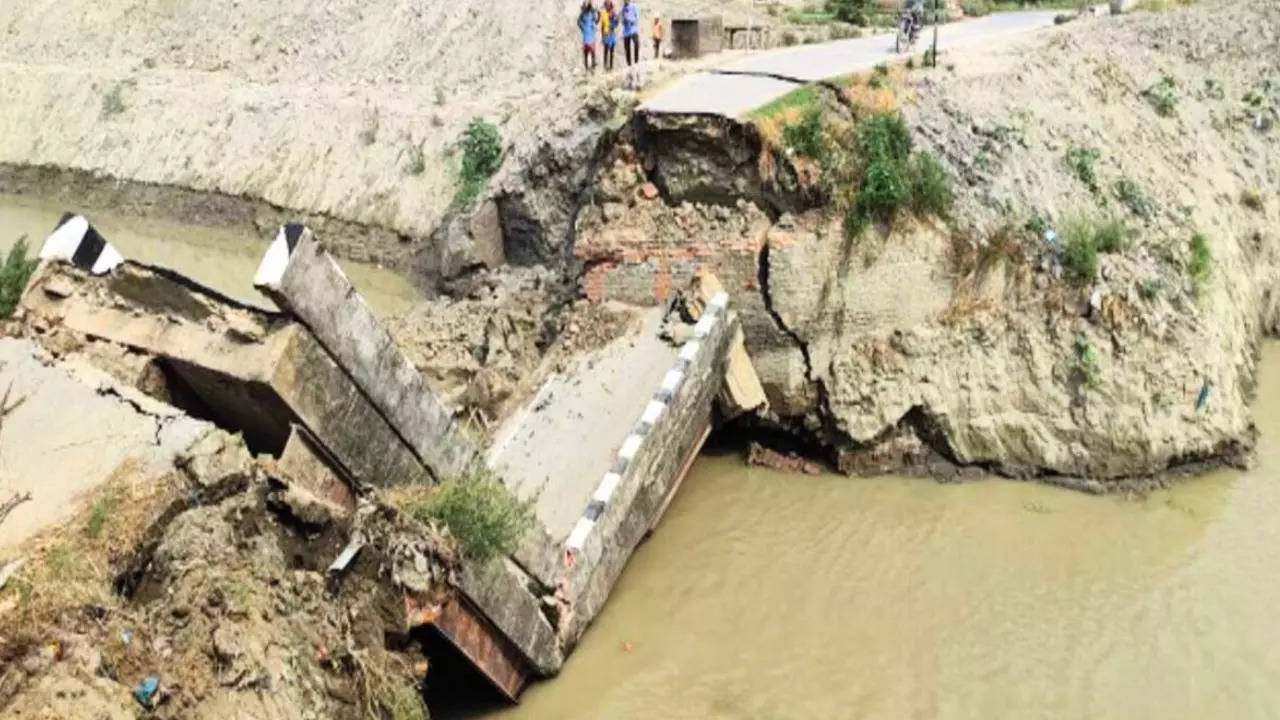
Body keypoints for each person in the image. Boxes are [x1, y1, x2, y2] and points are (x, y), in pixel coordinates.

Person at [578, 2, 599, 72]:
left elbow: (596, 21)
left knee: (588, 53)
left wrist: (598, 14)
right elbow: (578, 21)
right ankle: (590, 68)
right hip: (588, 36)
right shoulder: (585, 14)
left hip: (589, 36)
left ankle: (589, 68)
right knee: (590, 53)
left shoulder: (589, 14)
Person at [601, 1, 619, 71]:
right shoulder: (603, 14)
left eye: (608, 5)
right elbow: (602, 26)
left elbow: (617, 23)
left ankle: (611, 67)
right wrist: (602, 36)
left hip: (612, 33)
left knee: (612, 51)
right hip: (606, 34)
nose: (607, 6)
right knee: (605, 51)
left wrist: (615, 20)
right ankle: (605, 66)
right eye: (606, 5)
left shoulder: (613, 13)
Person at [621, 0, 640, 66]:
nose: (625, 1)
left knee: (637, 44)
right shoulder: (623, 8)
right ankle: (629, 64)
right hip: (626, 31)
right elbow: (622, 21)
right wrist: (624, 21)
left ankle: (636, 61)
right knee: (627, 48)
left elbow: (637, 18)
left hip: (633, 29)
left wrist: (630, 20)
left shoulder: (634, 6)